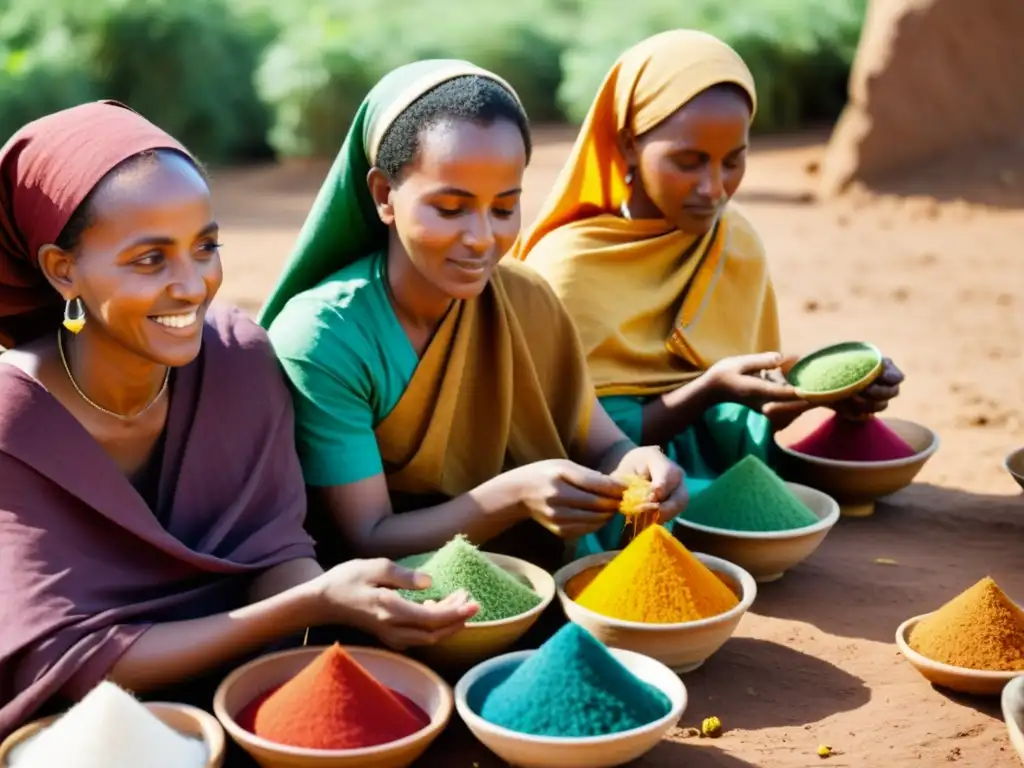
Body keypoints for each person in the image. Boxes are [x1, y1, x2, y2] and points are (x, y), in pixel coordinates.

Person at [0, 102, 477, 738]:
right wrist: (306, 604)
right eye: (150, 259)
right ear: (63, 270)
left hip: (251, 705)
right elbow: (73, 664)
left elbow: (275, 551)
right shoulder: (15, 424)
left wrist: (346, 601)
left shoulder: (236, 362)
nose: (193, 285)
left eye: (205, 247)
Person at [260, 60, 687, 570]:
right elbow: (366, 536)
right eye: (450, 208)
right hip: (398, 605)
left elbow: (602, 443)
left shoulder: (527, 299)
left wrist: (637, 464)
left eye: (504, 208)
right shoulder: (324, 337)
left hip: (535, 582)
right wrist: (510, 498)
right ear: (383, 196)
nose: (483, 237)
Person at [510, 30, 904, 552]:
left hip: (719, 480)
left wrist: (823, 394)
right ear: (629, 141)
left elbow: (736, 415)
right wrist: (709, 389)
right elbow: (569, 438)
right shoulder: (568, 266)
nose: (713, 188)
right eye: (688, 161)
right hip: (617, 492)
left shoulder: (734, 241)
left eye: (733, 160)